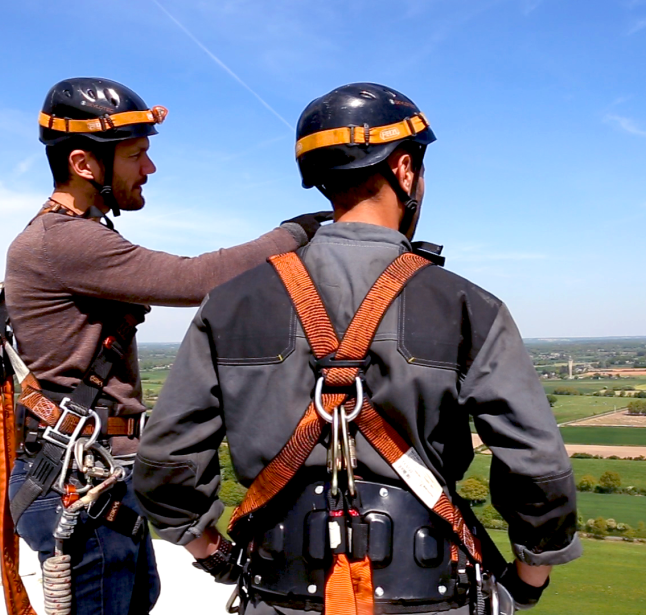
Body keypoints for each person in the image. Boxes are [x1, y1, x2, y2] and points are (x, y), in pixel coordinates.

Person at [133, 82, 580, 615]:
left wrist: (217, 557)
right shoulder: (466, 305)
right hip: (429, 595)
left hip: (278, 594)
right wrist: (528, 580)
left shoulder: (230, 304)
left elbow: (164, 462)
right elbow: (538, 466)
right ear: (406, 169)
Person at [0, 77, 329, 615]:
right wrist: (298, 231)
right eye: (136, 156)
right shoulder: (62, 240)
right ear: (85, 165)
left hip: (95, 476)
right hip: (80, 485)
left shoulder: (73, 235)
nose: (148, 169)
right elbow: (197, 279)